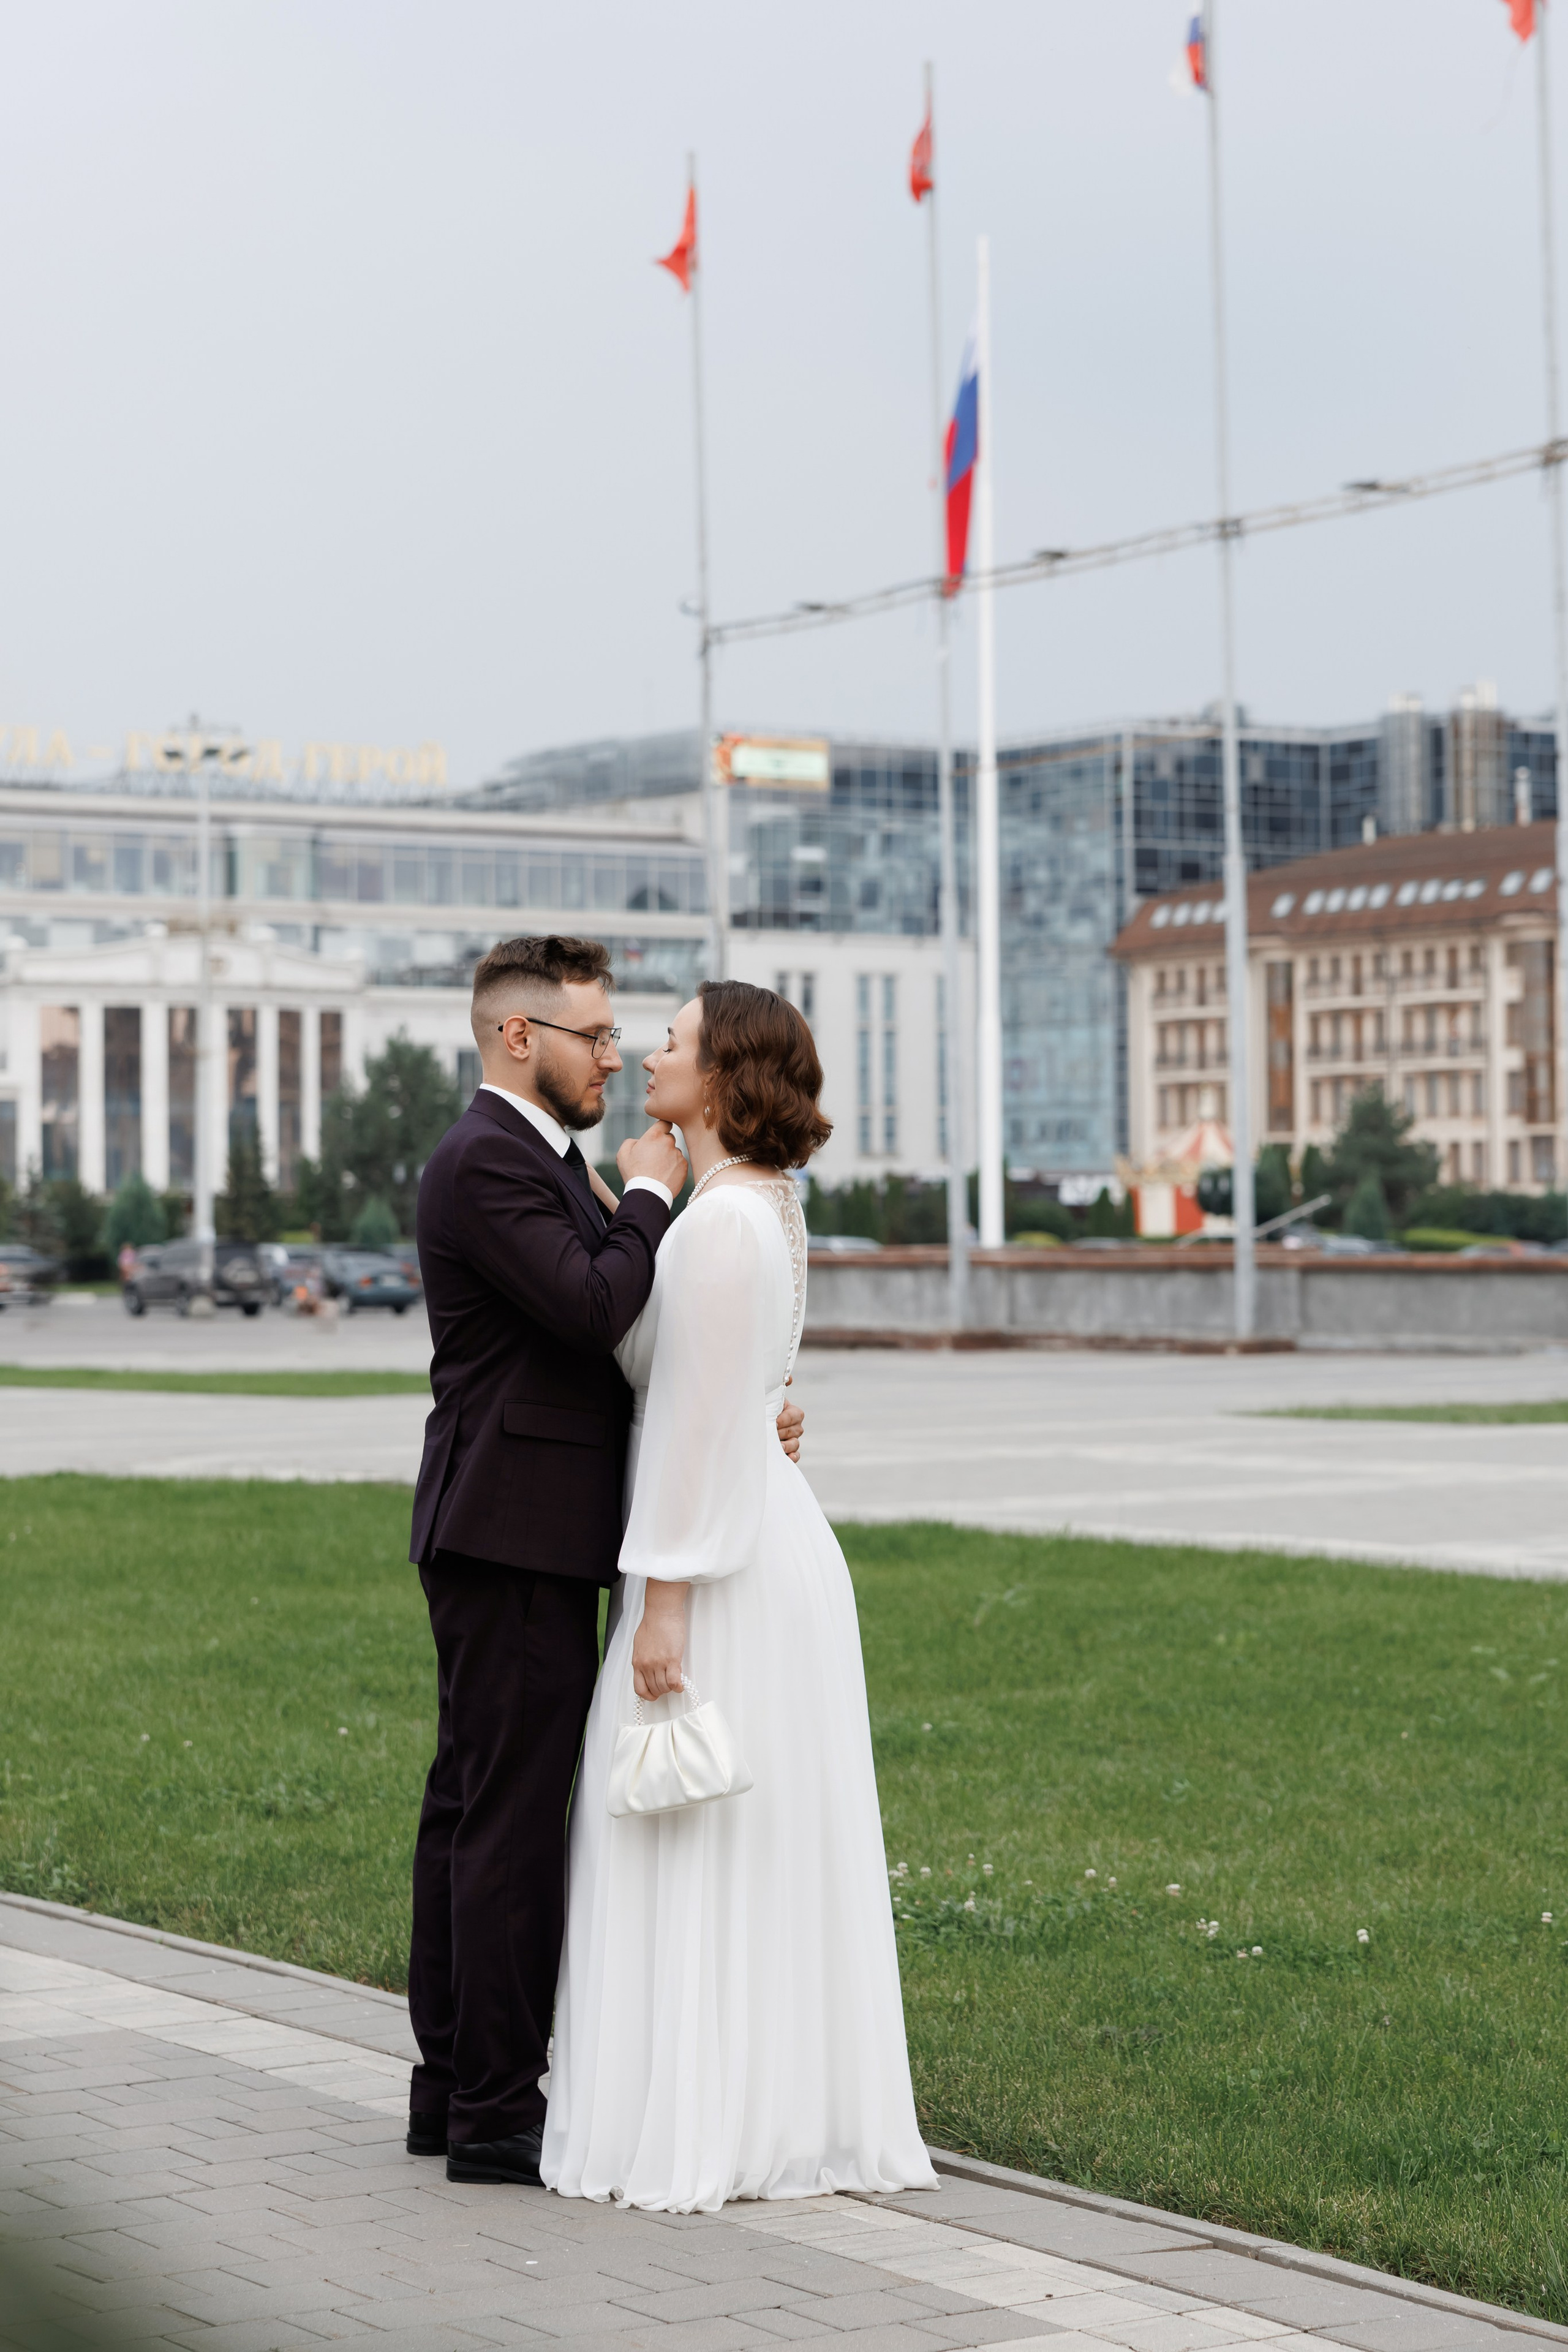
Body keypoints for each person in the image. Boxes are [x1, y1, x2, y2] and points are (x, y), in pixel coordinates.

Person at [405, 937, 803, 2189]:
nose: (616, 1052)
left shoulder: (539, 1161)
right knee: (506, 1823)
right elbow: (592, 1304)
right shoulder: (487, 1162)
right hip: (510, 1524)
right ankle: (493, 2113)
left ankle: (452, 2086)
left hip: (517, 1522)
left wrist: (745, 1408)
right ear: (519, 1037)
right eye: (592, 1033)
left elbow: (650, 1344)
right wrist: (647, 1195)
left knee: (475, 1805)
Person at [543, 979, 935, 2212]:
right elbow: (730, 1382)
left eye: (667, 1042)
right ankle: (764, 2106)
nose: (646, 1054)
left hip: (717, 1560)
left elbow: (696, 1425)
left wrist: (661, 1601)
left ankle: (701, 2120)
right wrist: (630, 1194)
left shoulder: (718, 1225)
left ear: (717, 1079)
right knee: (750, 1846)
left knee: (680, 1833)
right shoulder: (755, 1206)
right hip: (766, 1540)